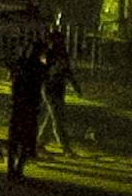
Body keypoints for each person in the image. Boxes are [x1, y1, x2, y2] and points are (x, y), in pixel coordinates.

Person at [6, 39, 45, 179]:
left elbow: (11, 75)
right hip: (30, 106)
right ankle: (17, 169)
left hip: (18, 105)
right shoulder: (39, 68)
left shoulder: (20, 64)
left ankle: (11, 169)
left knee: (14, 138)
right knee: (25, 139)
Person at [42, 28, 82, 156]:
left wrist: (76, 87)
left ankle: (40, 142)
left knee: (53, 117)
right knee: (57, 119)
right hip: (50, 89)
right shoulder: (48, 54)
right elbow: (48, 72)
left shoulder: (59, 53)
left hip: (57, 89)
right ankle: (65, 147)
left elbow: (67, 71)